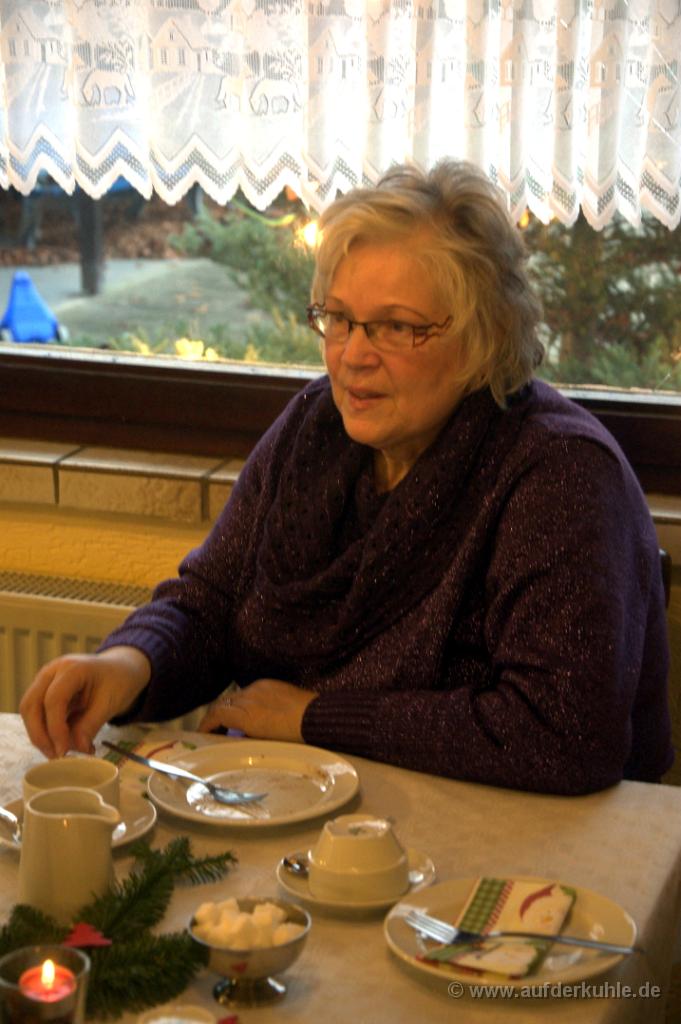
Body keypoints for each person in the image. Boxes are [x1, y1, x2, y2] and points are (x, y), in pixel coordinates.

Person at [20, 159, 673, 795]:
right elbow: (212, 602)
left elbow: (563, 734)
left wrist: (310, 718)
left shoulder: (559, 473)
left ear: (484, 336)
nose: (352, 356)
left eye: (396, 326)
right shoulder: (315, 425)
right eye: (337, 318)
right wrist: (127, 663)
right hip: (299, 801)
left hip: (508, 836)